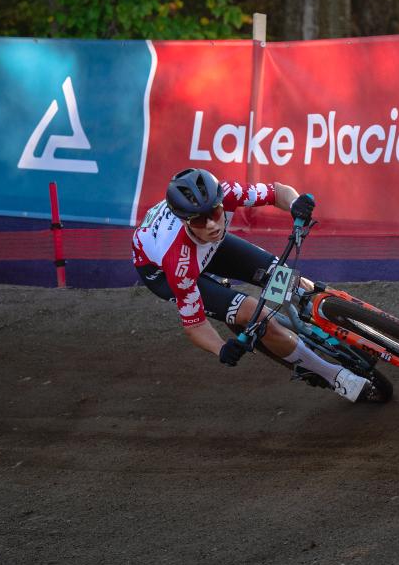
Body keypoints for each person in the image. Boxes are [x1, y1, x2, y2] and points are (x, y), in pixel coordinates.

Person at [132, 167, 374, 402]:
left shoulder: (226, 192)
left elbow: (278, 192)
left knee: (292, 281)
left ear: (219, 201)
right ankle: (333, 376)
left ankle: (348, 324)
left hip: (208, 247)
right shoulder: (178, 263)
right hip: (163, 272)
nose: (212, 225)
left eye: (215, 213)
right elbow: (194, 326)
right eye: (199, 221)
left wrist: (294, 204)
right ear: (185, 221)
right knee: (255, 316)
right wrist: (220, 349)